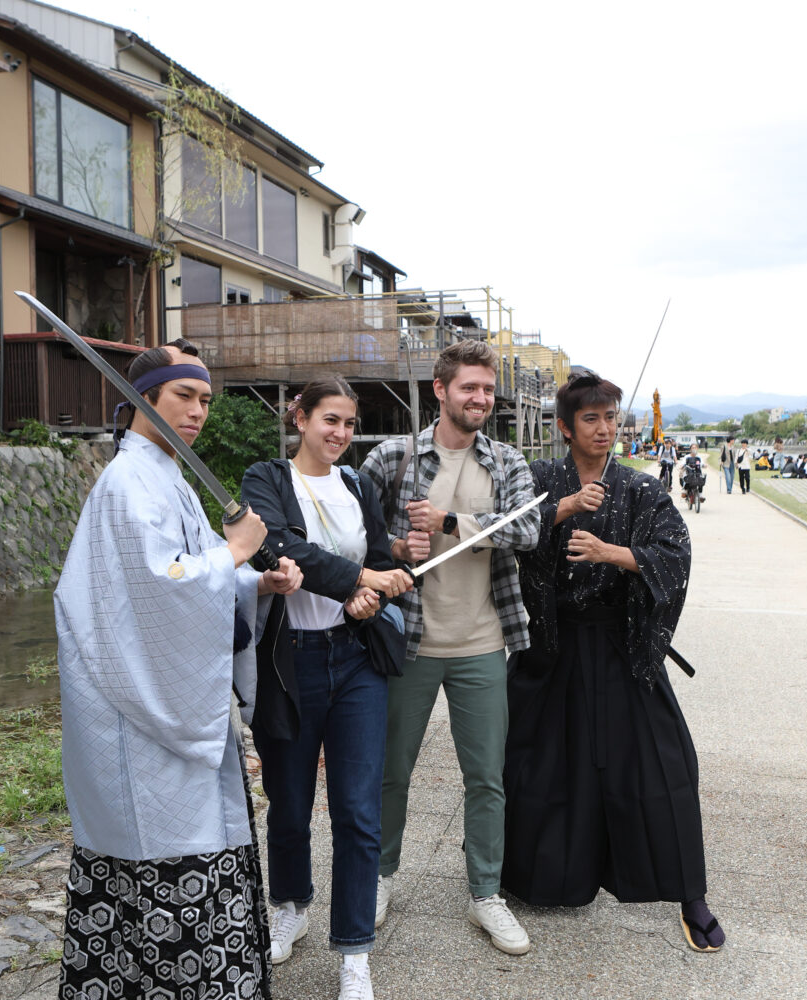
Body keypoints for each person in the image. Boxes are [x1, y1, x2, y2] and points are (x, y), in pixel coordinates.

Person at [53, 342, 302, 1000]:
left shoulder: (166, 476)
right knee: (156, 861)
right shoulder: (128, 482)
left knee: (187, 846)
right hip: (138, 721)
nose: (198, 412)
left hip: (166, 704)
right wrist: (240, 551)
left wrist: (251, 582)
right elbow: (162, 591)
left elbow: (190, 578)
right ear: (144, 397)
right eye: (184, 396)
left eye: (206, 401)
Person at [503, 374, 725, 953]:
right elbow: (510, 540)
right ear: (564, 427)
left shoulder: (641, 488)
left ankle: (689, 894)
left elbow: (674, 555)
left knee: (664, 762)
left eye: (611, 418)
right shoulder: (539, 480)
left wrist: (611, 553)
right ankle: (539, 877)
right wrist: (564, 511)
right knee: (545, 763)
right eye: (591, 420)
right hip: (553, 644)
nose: (605, 430)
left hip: (622, 644)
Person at [361, 339, 541, 955]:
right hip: (408, 643)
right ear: (440, 390)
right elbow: (354, 535)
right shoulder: (392, 456)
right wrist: (392, 548)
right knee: (390, 773)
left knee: (487, 777)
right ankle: (380, 879)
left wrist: (446, 525)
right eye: (469, 387)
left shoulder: (507, 461)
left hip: (483, 642)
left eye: (488, 389)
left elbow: (529, 528)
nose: (481, 399)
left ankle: (485, 894)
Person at [240, 377, 415, 999]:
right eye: (328, 420)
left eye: (347, 423)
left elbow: (374, 552)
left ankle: (354, 952)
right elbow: (277, 548)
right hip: (290, 664)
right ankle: (290, 903)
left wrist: (387, 570)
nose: (339, 433)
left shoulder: (356, 484)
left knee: (357, 812)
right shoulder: (265, 478)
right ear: (301, 416)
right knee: (287, 801)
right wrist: (361, 576)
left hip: (356, 662)